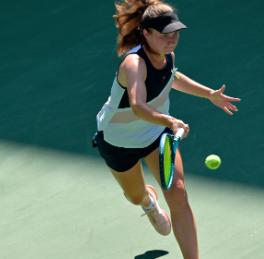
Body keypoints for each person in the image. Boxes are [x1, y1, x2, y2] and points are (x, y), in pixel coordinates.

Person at [93, 0, 240, 258]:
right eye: (164, 35)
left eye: (175, 34)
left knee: (178, 194)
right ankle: (148, 203)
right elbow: (138, 106)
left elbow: (172, 76)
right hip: (117, 141)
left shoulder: (167, 55)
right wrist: (170, 121)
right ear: (146, 33)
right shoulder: (133, 64)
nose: (172, 40)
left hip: (155, 134)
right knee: (134, 195)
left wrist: (209, 95)